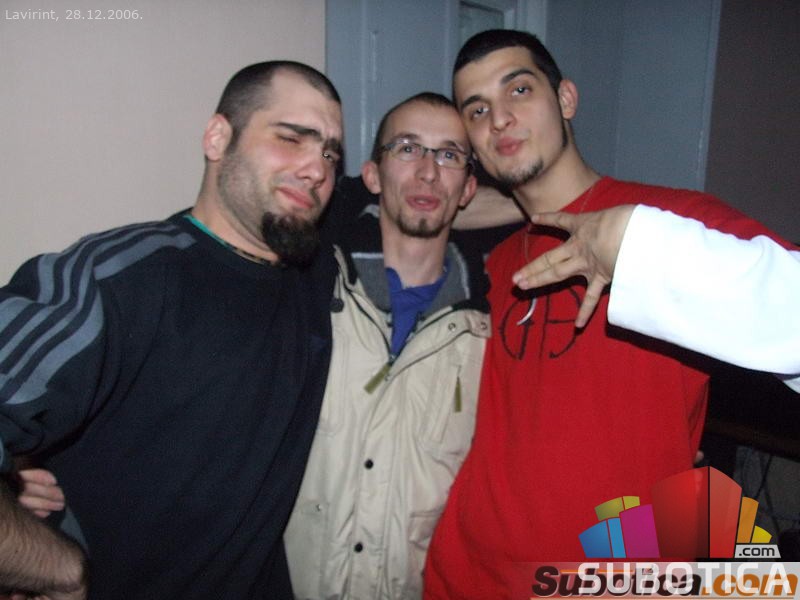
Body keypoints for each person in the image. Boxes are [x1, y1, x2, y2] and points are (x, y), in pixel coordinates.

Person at [423, 29, 795, 598]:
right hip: (465, 574)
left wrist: (642, 249)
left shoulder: (674, 222)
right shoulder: (493, 263)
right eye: (477, 109)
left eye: (518, 90)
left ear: (566, 99)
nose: (499, 119)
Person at [0, 60, 343, 599]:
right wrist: (49, 562)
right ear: (217, 138)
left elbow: (416, 192)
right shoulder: (122, 277)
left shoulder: (316, 277)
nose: (316, 169)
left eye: (329, 154)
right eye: (291, 138)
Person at [283, 93, 489, 599]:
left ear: (468, 188)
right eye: (407, 149)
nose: (428, 173)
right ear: (372, 176)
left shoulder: (488, 338)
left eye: (449, 155)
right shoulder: (307, 295)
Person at [511, 204, 800, 390]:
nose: (498, 127)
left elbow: (781, 308)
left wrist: (636, 246)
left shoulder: (686, 208)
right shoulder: (504, 253)